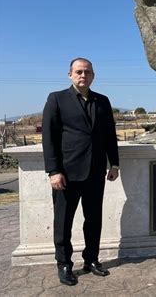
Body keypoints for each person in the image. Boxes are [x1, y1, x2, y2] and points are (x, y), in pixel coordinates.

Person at [42, 57, 119, 286]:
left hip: (96, 172)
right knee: (63, 221)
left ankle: (91, 259)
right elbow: (49, 138)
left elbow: (109, 135)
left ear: (93, 75)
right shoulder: (56, 99)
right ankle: (64, 263)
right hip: (67, 173)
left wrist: (114, 163)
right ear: (70, 75)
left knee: (93, 219)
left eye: (87, 72)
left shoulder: (103, 101)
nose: (83, 75)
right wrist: (54, 171)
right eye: (78, 71)